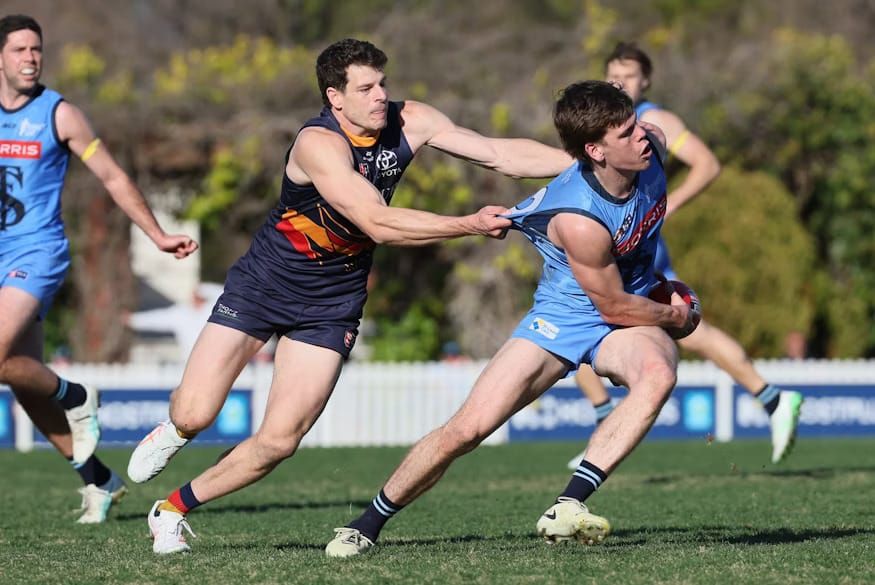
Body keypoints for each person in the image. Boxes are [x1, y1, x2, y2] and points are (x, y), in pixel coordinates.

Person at [126, 38, 576, 555]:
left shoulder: (411, 120)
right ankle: (176, 429)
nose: (380, 95)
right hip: (264, 285)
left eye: (382, 83)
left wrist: (584, 161)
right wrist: (468, 224)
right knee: (196, 413)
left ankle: (171, 510)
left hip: (333, 301)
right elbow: (376, 222)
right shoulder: (318, 144)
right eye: (365, 88)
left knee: (280, 441)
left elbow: (499, 155)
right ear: (334, 98)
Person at [324, 79, 699, 557]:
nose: (641, 135)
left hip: (622, 313)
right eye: (626, 133)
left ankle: (568, 505)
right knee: (467, 429)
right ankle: (365, 525)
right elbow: (613, 306)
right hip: (566, 316)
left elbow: (623, 299)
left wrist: (662, 304)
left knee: (658, 372)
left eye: (635, 124)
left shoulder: (654, 149)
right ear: (595, 151)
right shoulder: (579, 218)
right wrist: (675, 316)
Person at [565, 42, 803, 470]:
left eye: (629, 76)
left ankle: (772, 399)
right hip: (610, 239)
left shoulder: (655, 120)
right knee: (582, 317)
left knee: (669, 325)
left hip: (636, 246)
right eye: (613, 74)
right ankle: (771, 400)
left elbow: (707, 164)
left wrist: (669, 204)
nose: (620, 82)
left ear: (646, 81)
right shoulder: (602, 123)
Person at [0, 15, 197, 523]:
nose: (30, 58)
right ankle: (99, 480)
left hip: (36, 253)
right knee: (22, 380)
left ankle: (77, 395)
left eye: (36, 49)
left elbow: (111, 175)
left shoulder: (59, 114)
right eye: (20, 49)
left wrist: (157, 234)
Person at [126, 282, 224, 361]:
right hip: (193, 361)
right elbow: (158, 319)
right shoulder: (181, 312)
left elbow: (224, 293)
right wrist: (133, 320)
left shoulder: (213, 307)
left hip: (218, 358)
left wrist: (202, 288)